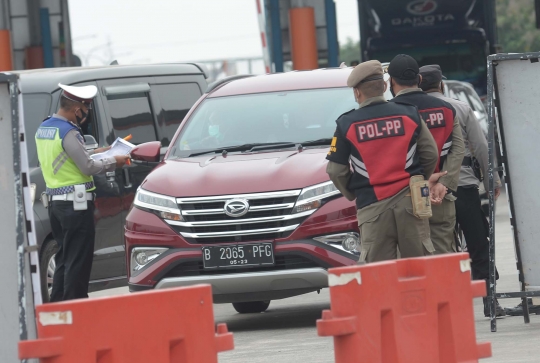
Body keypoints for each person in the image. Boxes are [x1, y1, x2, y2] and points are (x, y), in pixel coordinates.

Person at [326, 60, 441, 263]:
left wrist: (352, 191)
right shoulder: (409, 113)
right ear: (385, 87)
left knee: (379, 276)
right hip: (412, 202)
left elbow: (335, 170)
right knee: (421, 270)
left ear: (357, 92)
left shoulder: (346, 124)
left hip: (372, 207)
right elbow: (431, 153)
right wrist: (418, 179)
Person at [418, 64, 507, 317]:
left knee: (434, 246)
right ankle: (490, 302)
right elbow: (481, 148)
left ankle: (442, 307)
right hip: (463, 185)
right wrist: (493, 183)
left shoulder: (411, 110)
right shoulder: (460, 107)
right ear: (442, 85)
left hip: (427, 190)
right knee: (478, 243)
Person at [36, 83, 129, 302]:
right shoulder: (68, 131)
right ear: (78, 109)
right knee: (78, 262)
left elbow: (68, 157)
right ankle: (77, 311)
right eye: (86, 111)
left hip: (56, 205)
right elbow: (87, 167)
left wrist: (101, 151)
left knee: (64, 259)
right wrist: (114, 161)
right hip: (75, 207)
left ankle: (58, 309)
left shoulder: (46, 128)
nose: (85, 116)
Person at [388, 55, 465, 255]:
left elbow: (389, 157)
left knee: (411, 264)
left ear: (391, 81)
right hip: (439, 196)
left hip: (404, 198)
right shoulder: (447, 109)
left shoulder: (388, 115)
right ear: (419, 80)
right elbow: (458, 148)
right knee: (443, 260)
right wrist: (443, 183)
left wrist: (419, 183)